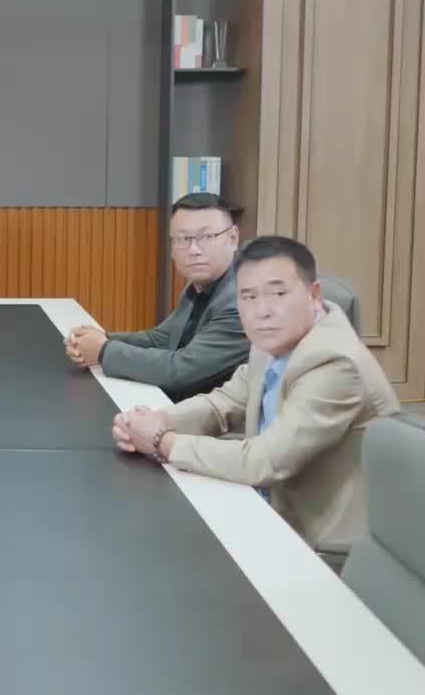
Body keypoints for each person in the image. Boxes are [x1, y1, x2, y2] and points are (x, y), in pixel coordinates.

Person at [111, 234, 400, 562]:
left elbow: (265, 461)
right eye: (248, 296)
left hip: (323, 548)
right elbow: (224, 402)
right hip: (269, 511)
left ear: (314, 295)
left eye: (278, 293)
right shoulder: (276, 339)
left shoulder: (335, 362)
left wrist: (162, 441)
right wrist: (156, 420)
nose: (262, 311)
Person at [66, 192, 247, 398]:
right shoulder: (199, 286)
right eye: (183, 238)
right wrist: (100, 339)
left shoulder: (243, 300)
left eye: (207, 237)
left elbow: (181, 370)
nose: (194, 250)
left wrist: (103, 350)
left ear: (233, 238)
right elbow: (161, 339)